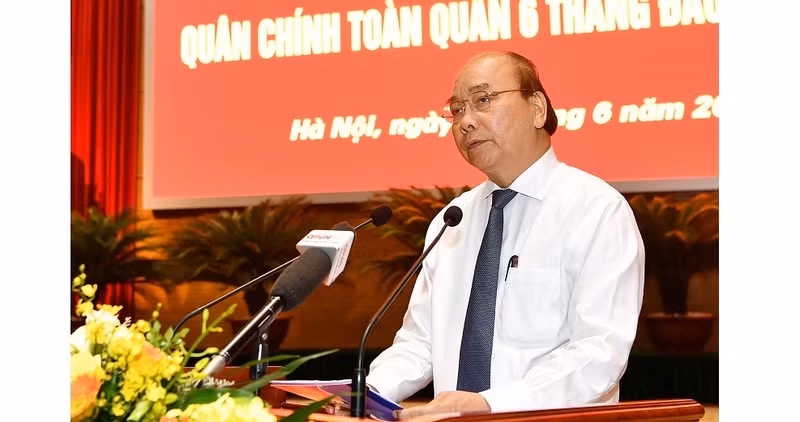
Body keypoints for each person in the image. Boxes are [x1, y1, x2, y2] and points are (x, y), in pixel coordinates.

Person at [364, 51, 646, 419]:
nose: (465, 121)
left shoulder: (596, 211)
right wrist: (365, 393)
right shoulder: (453, 220)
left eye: (482, 101)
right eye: (456, 110)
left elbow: (598, 354)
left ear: (538, 108)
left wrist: (490, 404)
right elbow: (420, 343)